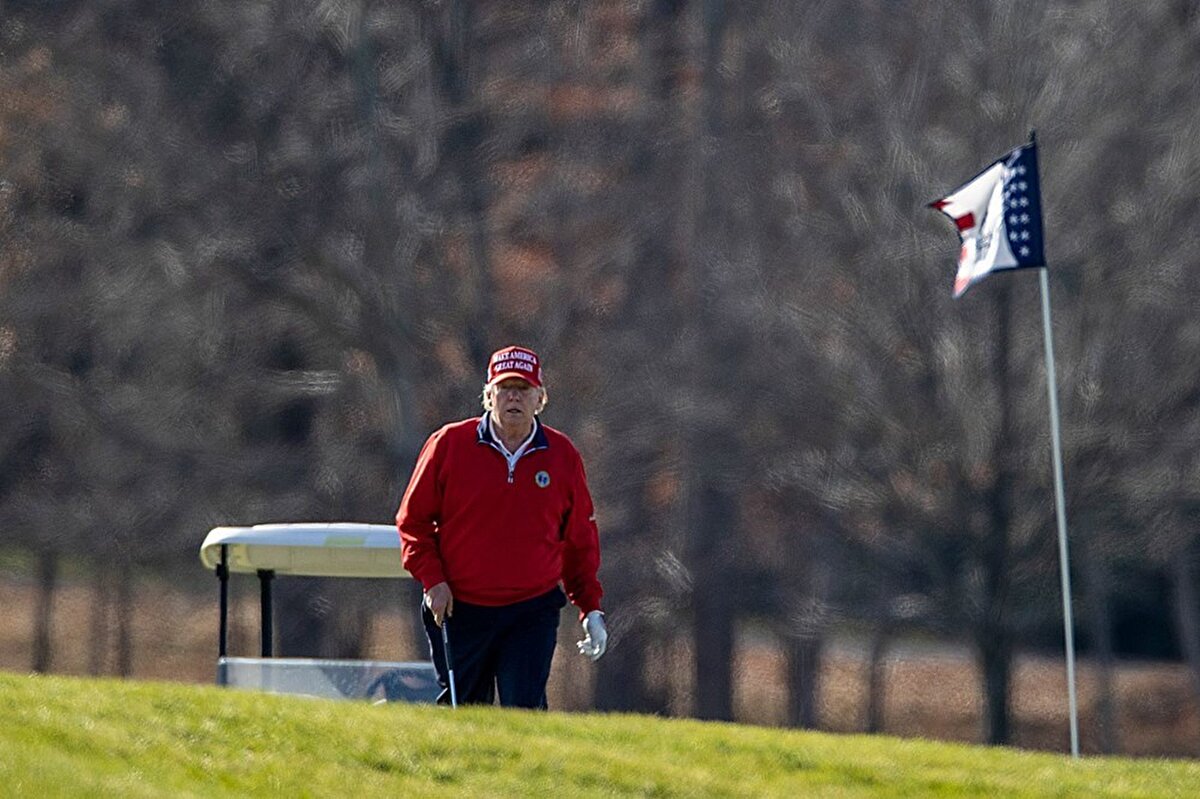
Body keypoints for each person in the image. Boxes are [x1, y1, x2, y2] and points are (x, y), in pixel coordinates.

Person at [396, 345, 607, 708]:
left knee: (523, 711)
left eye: (523, 389)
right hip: (459, 608)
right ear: (488, 395)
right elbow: (412, 523)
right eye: (505, 388)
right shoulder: (449, 445)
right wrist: (434, 581)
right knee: (464, 712)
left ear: (540, 399)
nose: (514, 397)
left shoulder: (562, 455)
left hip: (531, 609)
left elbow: (579, 540)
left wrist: (590, 607)